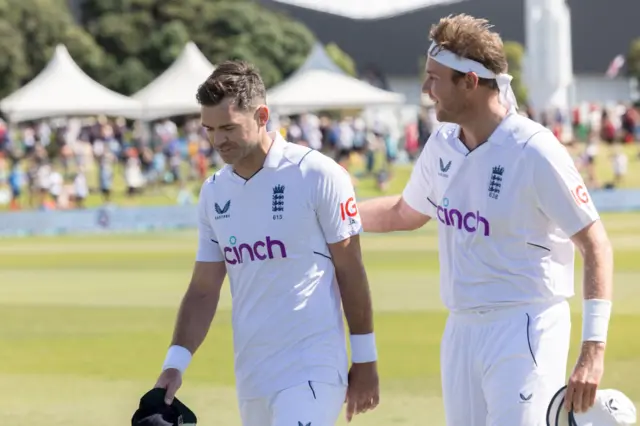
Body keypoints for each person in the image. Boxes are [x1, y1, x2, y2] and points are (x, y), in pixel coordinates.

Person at [357, 14, 614, 426]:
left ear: (470, 82)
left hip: (525, 327)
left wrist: (593, 351)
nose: (426, 91)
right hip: (461, 329)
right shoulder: (441, 144)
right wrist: (335, 214)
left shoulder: (535, 151)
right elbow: (403, 212)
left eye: (434, 79)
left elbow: (595, 244)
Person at [152, 60, 379, 426]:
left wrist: (366, 360)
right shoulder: (213, 192)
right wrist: (174, 366)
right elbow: (203, 290)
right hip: (252, 375)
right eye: (209, 129)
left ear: (262, 115)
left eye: (228, 127)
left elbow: (351, 270)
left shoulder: (317, 174)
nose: (217, 140)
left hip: (312, 369)